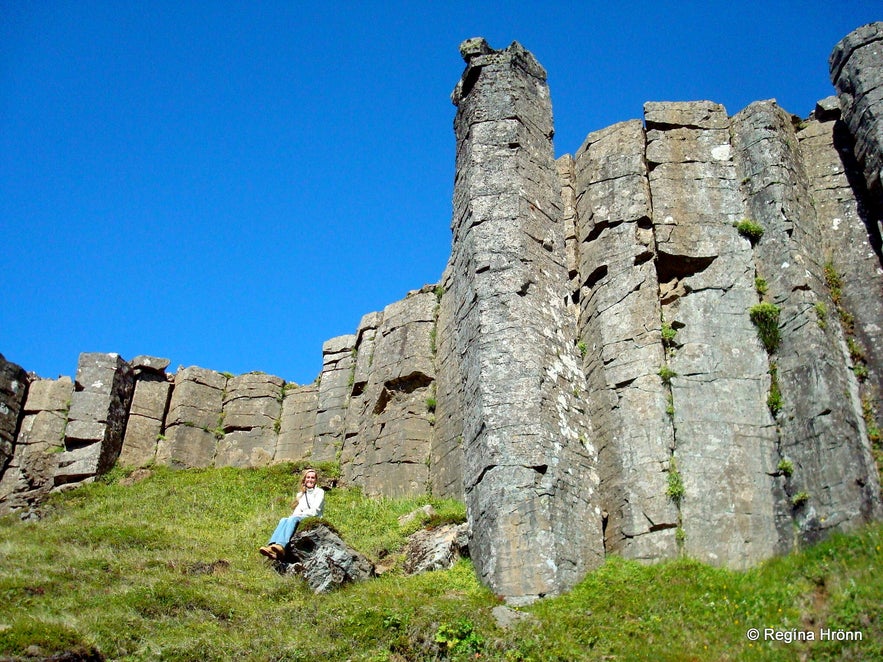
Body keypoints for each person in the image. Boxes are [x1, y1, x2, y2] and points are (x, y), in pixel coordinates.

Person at [259, 467, 324, 560]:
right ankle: (272, 546)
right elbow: (298, 510)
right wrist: (295, 515)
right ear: (304, 480)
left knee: (293, 519)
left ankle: (281, 545)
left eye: (312, 478)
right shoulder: (301, 495)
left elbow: (315, 510)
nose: (310, 479)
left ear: (316, 480)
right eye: (308, 477)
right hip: (302, 517)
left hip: (314, 518)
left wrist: (298, 515)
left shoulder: (319, 492)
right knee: (284, 519)